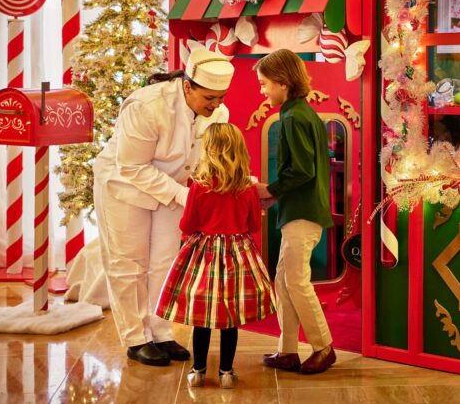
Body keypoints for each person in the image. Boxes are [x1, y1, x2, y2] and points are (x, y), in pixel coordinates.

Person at [93, 47, 233, 367]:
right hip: (124, 187)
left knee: (164, 263)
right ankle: (135, 337)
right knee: (129, 263)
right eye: (209, 97)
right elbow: (131, 167)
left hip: (175, 188)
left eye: (221, 98)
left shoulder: (217, 114)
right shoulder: (146, 106)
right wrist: (187, 197)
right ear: (188, 86)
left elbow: (206, 156)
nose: (216, 105)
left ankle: (161, 330)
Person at [156, 123, 276, 389]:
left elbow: (187, 225)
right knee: (229, 317)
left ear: (208, 150)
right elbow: (254, 225)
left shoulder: (199, 187)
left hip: (204, 256)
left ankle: (198, 371)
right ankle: (226, 373)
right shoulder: (246, 187)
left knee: (204, 316)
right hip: (238, 256)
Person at [253, 49, 336, 375]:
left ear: (283, 83)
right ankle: (287, 350)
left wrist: (270, 190)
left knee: (296, 281)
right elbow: (310, 170)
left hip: (302, 214)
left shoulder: (291, 118)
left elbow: (301, 170)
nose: (263, 91)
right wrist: (278, 197)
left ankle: (323, 347)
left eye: (265, 84)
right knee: (283, 280)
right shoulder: (305, 113)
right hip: (301, 210)